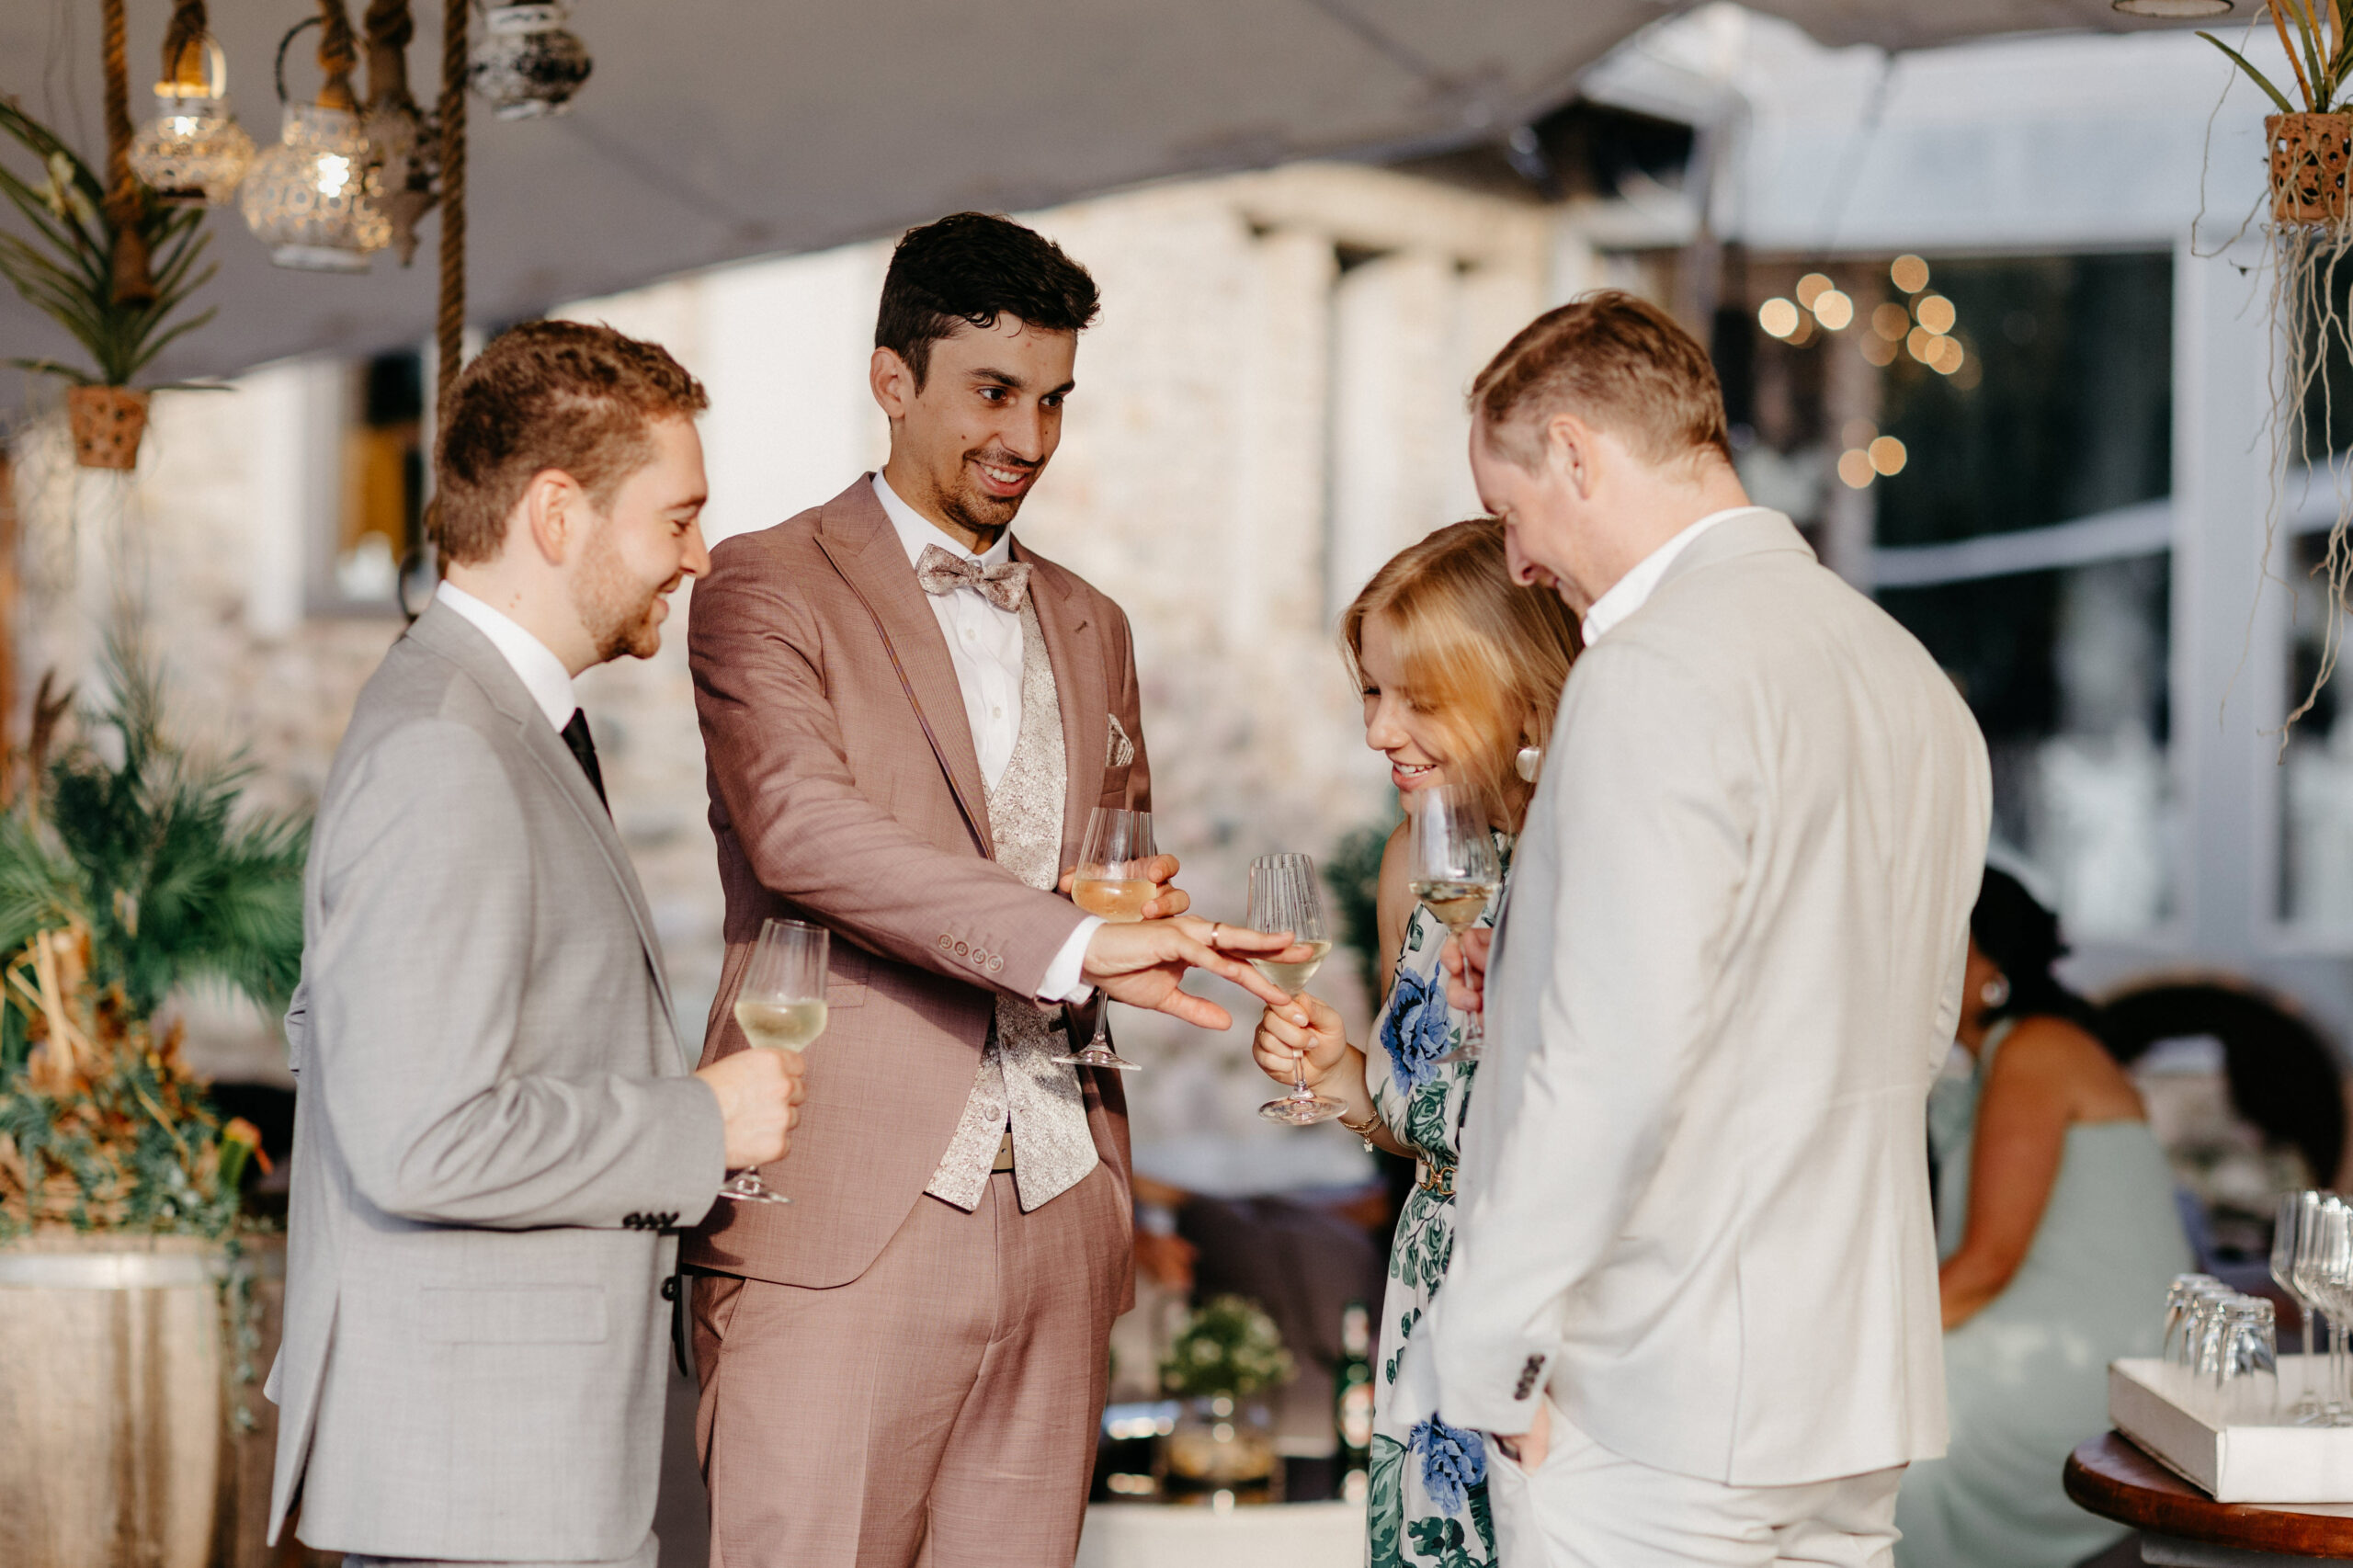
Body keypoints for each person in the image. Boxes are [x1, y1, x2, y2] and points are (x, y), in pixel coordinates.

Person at [682, 211, 1299, 1568]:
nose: (1029, 437)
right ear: (892, 381)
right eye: (995, 392)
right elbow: (802, 830)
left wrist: (1126, 912)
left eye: (1055, 399)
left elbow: (1097, 858)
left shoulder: (1095, 623)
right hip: (843, 1209)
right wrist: (1077, 935)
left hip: (1060, 1218)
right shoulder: (763, 586)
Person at [1426, 291, 1992, 1568]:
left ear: (1575, 450)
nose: (1516, 563)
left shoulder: (1649, 669)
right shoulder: (1905, 672)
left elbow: (1613, 1064)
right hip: (1854, 1383)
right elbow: (1915, 1036)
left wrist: (1492, 1349)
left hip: (1657, 1395)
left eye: (1511, 515)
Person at [265, 321, 806, 1568]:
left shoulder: (497, 722)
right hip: (473, 1485)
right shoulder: (446, 750)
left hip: (509, 1468)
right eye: (677, 517)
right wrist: (697, 1124)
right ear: (558, 513)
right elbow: (418, 1136)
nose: (700, 554)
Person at [1248, 518, 1579, 1568]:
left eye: (1419, 699)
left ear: (1521, 688)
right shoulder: (1414, 860)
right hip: (1432, 1294)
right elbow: (1424, 1131)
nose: (1379, 732)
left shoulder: (1595, 849)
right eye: (1371, 692)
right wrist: (1338, 1072)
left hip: (1565, 1319)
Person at [1894, 868, 2192, 1568]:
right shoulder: (1983, 1067)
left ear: (1988, 962)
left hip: (2094, 1363)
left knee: (1895, 1427)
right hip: (2042, 1332)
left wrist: (1852, 1344)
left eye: (1928, 935)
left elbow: (1987, 1266)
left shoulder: (2037, 1050)